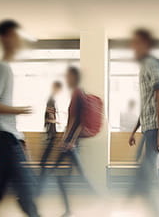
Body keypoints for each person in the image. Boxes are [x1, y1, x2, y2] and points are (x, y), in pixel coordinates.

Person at [0, 20, 40, 217]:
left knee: (0, 187)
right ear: (4, 38)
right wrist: (19, 111)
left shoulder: (5, 68)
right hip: (4, 136)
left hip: (8, 136)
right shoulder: (1, 68)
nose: (18, 41)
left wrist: (20, 137)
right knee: (24, 188)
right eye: (15, 36)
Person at [127, 29, 159, 217]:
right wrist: (134, 130)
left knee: (147, 170)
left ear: (146, 45)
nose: (132, 47)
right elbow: (147, 104)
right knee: (144, 167)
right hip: (150, 127)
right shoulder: (144, 67)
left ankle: (154, 207)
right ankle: (139, 193)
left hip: (156, 127)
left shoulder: (150, 65)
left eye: (136, 43)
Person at [53, 66, 95, 217]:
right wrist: (66, 138)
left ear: (74, 77)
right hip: (70, 142)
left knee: (58, 174)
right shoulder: (76, 93)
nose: (66, 78)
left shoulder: (78, 93)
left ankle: (95, 198)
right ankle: (96, 198)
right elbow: (72, 120)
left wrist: (70, 141)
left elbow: (79, 121)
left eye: (68, 76)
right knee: (72, 175)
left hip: (71, 144)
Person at [38, 81, 62, 189]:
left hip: (50, 133)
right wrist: (57, 122)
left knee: (45, 160)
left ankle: (41, 184)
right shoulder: (51, 100)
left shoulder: (51, 99)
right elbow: (50, 118)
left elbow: (49, 116)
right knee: (44, 161)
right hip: (50, 134)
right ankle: (41, 185)